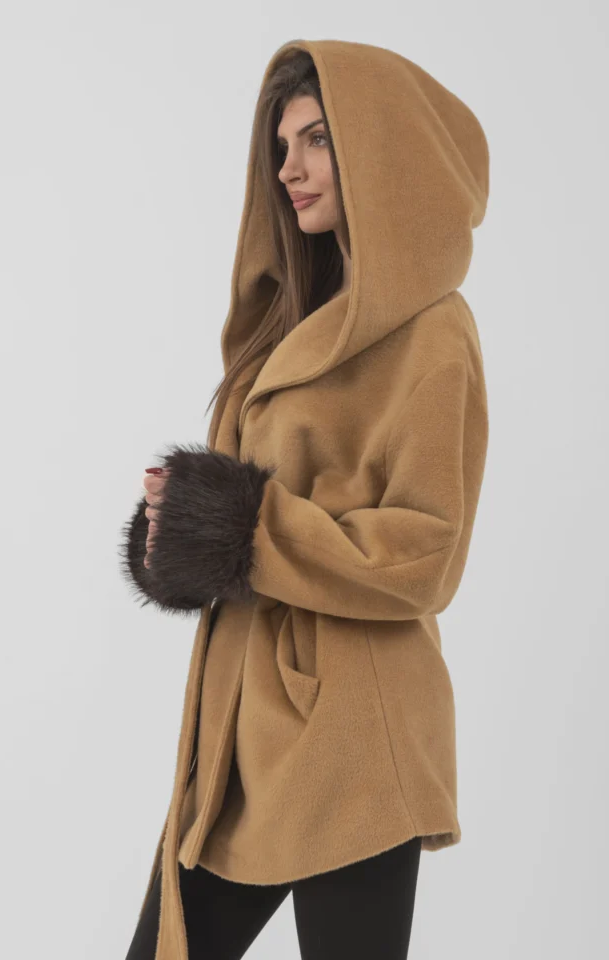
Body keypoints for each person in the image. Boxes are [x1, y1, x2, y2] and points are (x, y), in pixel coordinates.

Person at [119, 37, 490, 960]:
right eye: (282, 145)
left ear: (381, 148)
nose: (288, 167)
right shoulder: (292, 321)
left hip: (357, 736)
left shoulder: (434, 333)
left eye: (317, 138)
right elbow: (247, 507)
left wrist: (241, 526)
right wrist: (179, 525)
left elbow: (426, 552)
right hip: (244, 736)